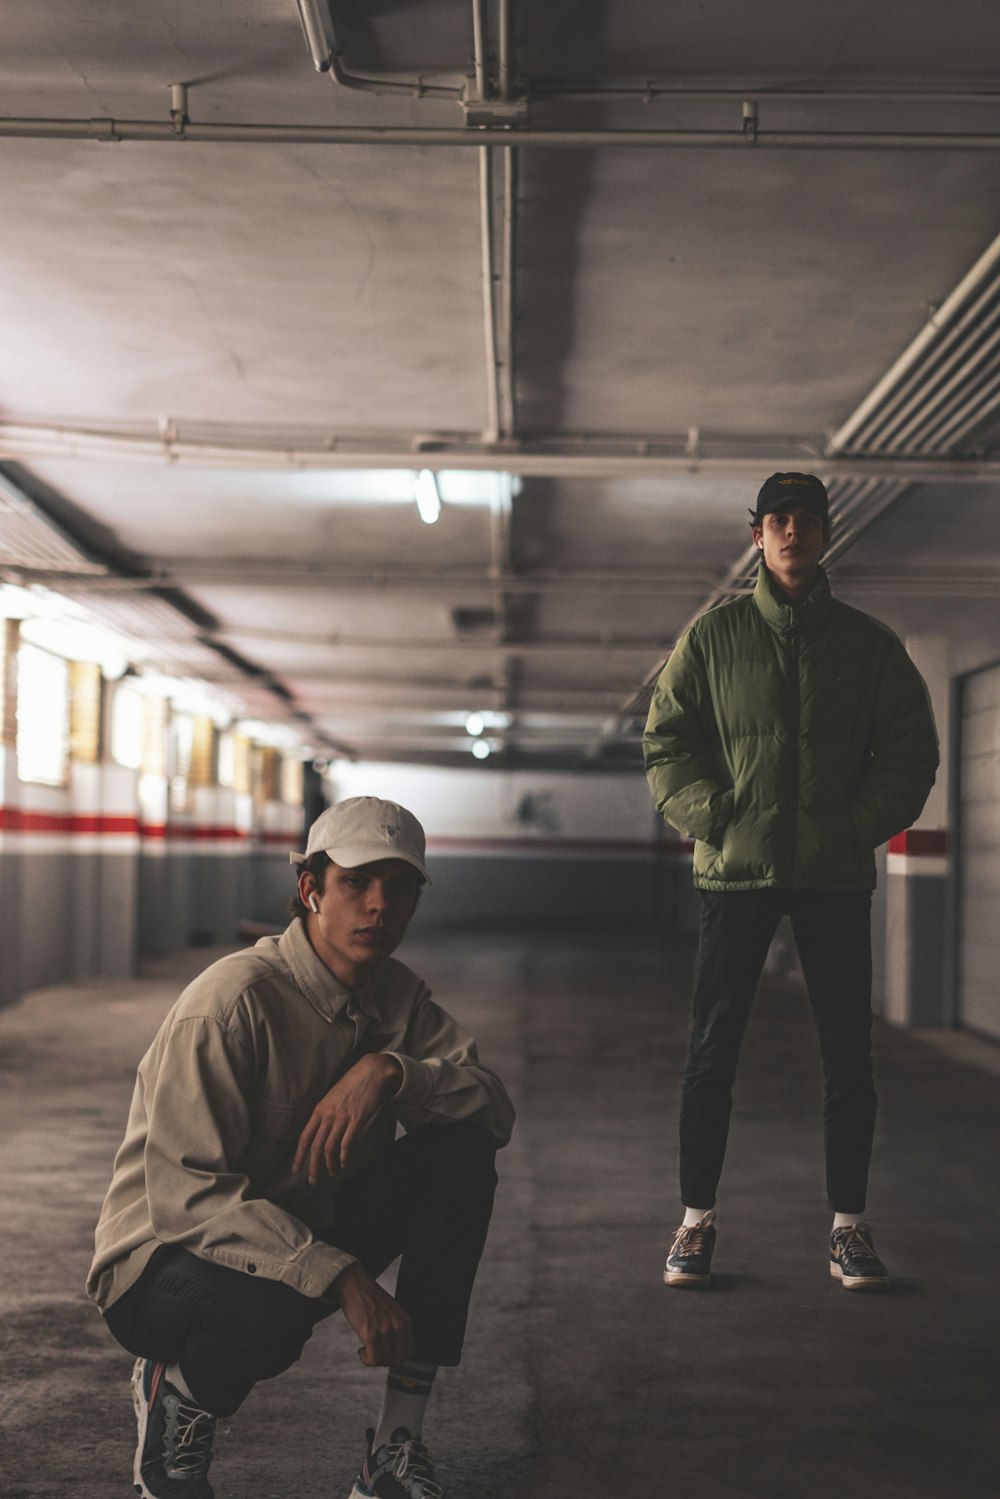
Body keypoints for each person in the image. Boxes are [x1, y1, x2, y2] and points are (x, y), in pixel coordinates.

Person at [88, 795, 514, 1499]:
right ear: (310, 889)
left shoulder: (396, 997)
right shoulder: (231, 1003)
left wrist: (390, 1072)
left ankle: (393, 1447)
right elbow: (188, 1196)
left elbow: (493, 1107)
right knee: (269, 1313)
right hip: (162, 1260)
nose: (379, 905)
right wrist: (343, 1276)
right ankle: (177, 1392)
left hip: (296, 1228)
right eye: (356, 882)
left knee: (462, 1153)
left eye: (399, 886)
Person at [643, 472, 938, 1293]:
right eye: (780, 519)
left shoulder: (869, 646)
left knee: (849, 1053)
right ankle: (695, 1221)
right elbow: (667, 743)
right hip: (733, 874)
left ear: (825, 533)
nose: (794, 531)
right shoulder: (712, 638)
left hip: (833, 875)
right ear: (757, 534)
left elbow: (911, 750)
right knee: (712, 1052)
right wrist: (717, 815)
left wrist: (849, 825)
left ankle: (849, 1228)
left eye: (808, 519)